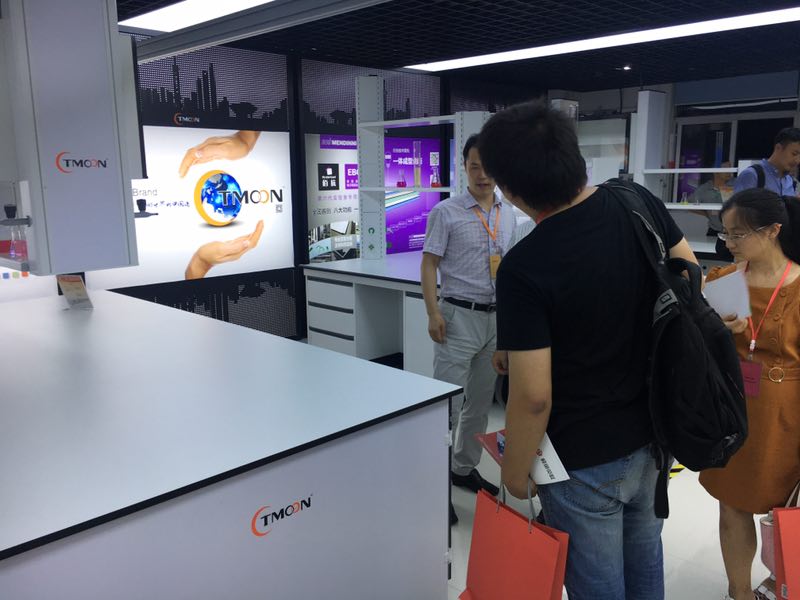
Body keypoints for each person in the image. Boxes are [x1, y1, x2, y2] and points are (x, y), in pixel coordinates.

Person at [478, 101, 698, 600]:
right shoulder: (637, 202)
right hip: (654, 432)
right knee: (645, 566)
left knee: (598, 588)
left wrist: (514, 471)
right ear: (574, 157)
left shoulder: (524, 266)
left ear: (511, 191)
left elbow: (534, 396)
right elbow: (688, 280)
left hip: (581, 459)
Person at [698, 188, 800, 600]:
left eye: (738, 234)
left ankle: (781, 582)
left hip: (788, 415)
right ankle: (739, 591)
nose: (729, 243)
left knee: (789, 507)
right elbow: (696, 348)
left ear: (773, 230)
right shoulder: (722, 280)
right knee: (732, 502)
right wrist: (715, 332)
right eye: (725, 234)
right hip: (731, 408)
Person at [421, 135, 516, 525]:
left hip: (495, 320)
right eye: (475, 166)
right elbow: (429, 264)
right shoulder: (446, 212)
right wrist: (433, 313)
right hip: (457, 317)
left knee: (479, 405)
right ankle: (432, 486)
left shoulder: (510, 213)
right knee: (448, 408)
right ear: (464, 167)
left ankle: (462, 468)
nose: (482, 175)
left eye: (488, 167)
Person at [688, 162, 736, 261]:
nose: (729, 172)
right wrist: (707, 214)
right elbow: (690, 204)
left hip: (732, 232)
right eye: (726, 169)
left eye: (730, 168)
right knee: (712, 258)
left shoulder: (735, 185)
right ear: (715, 171)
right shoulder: (705, 188)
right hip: (714, 230)